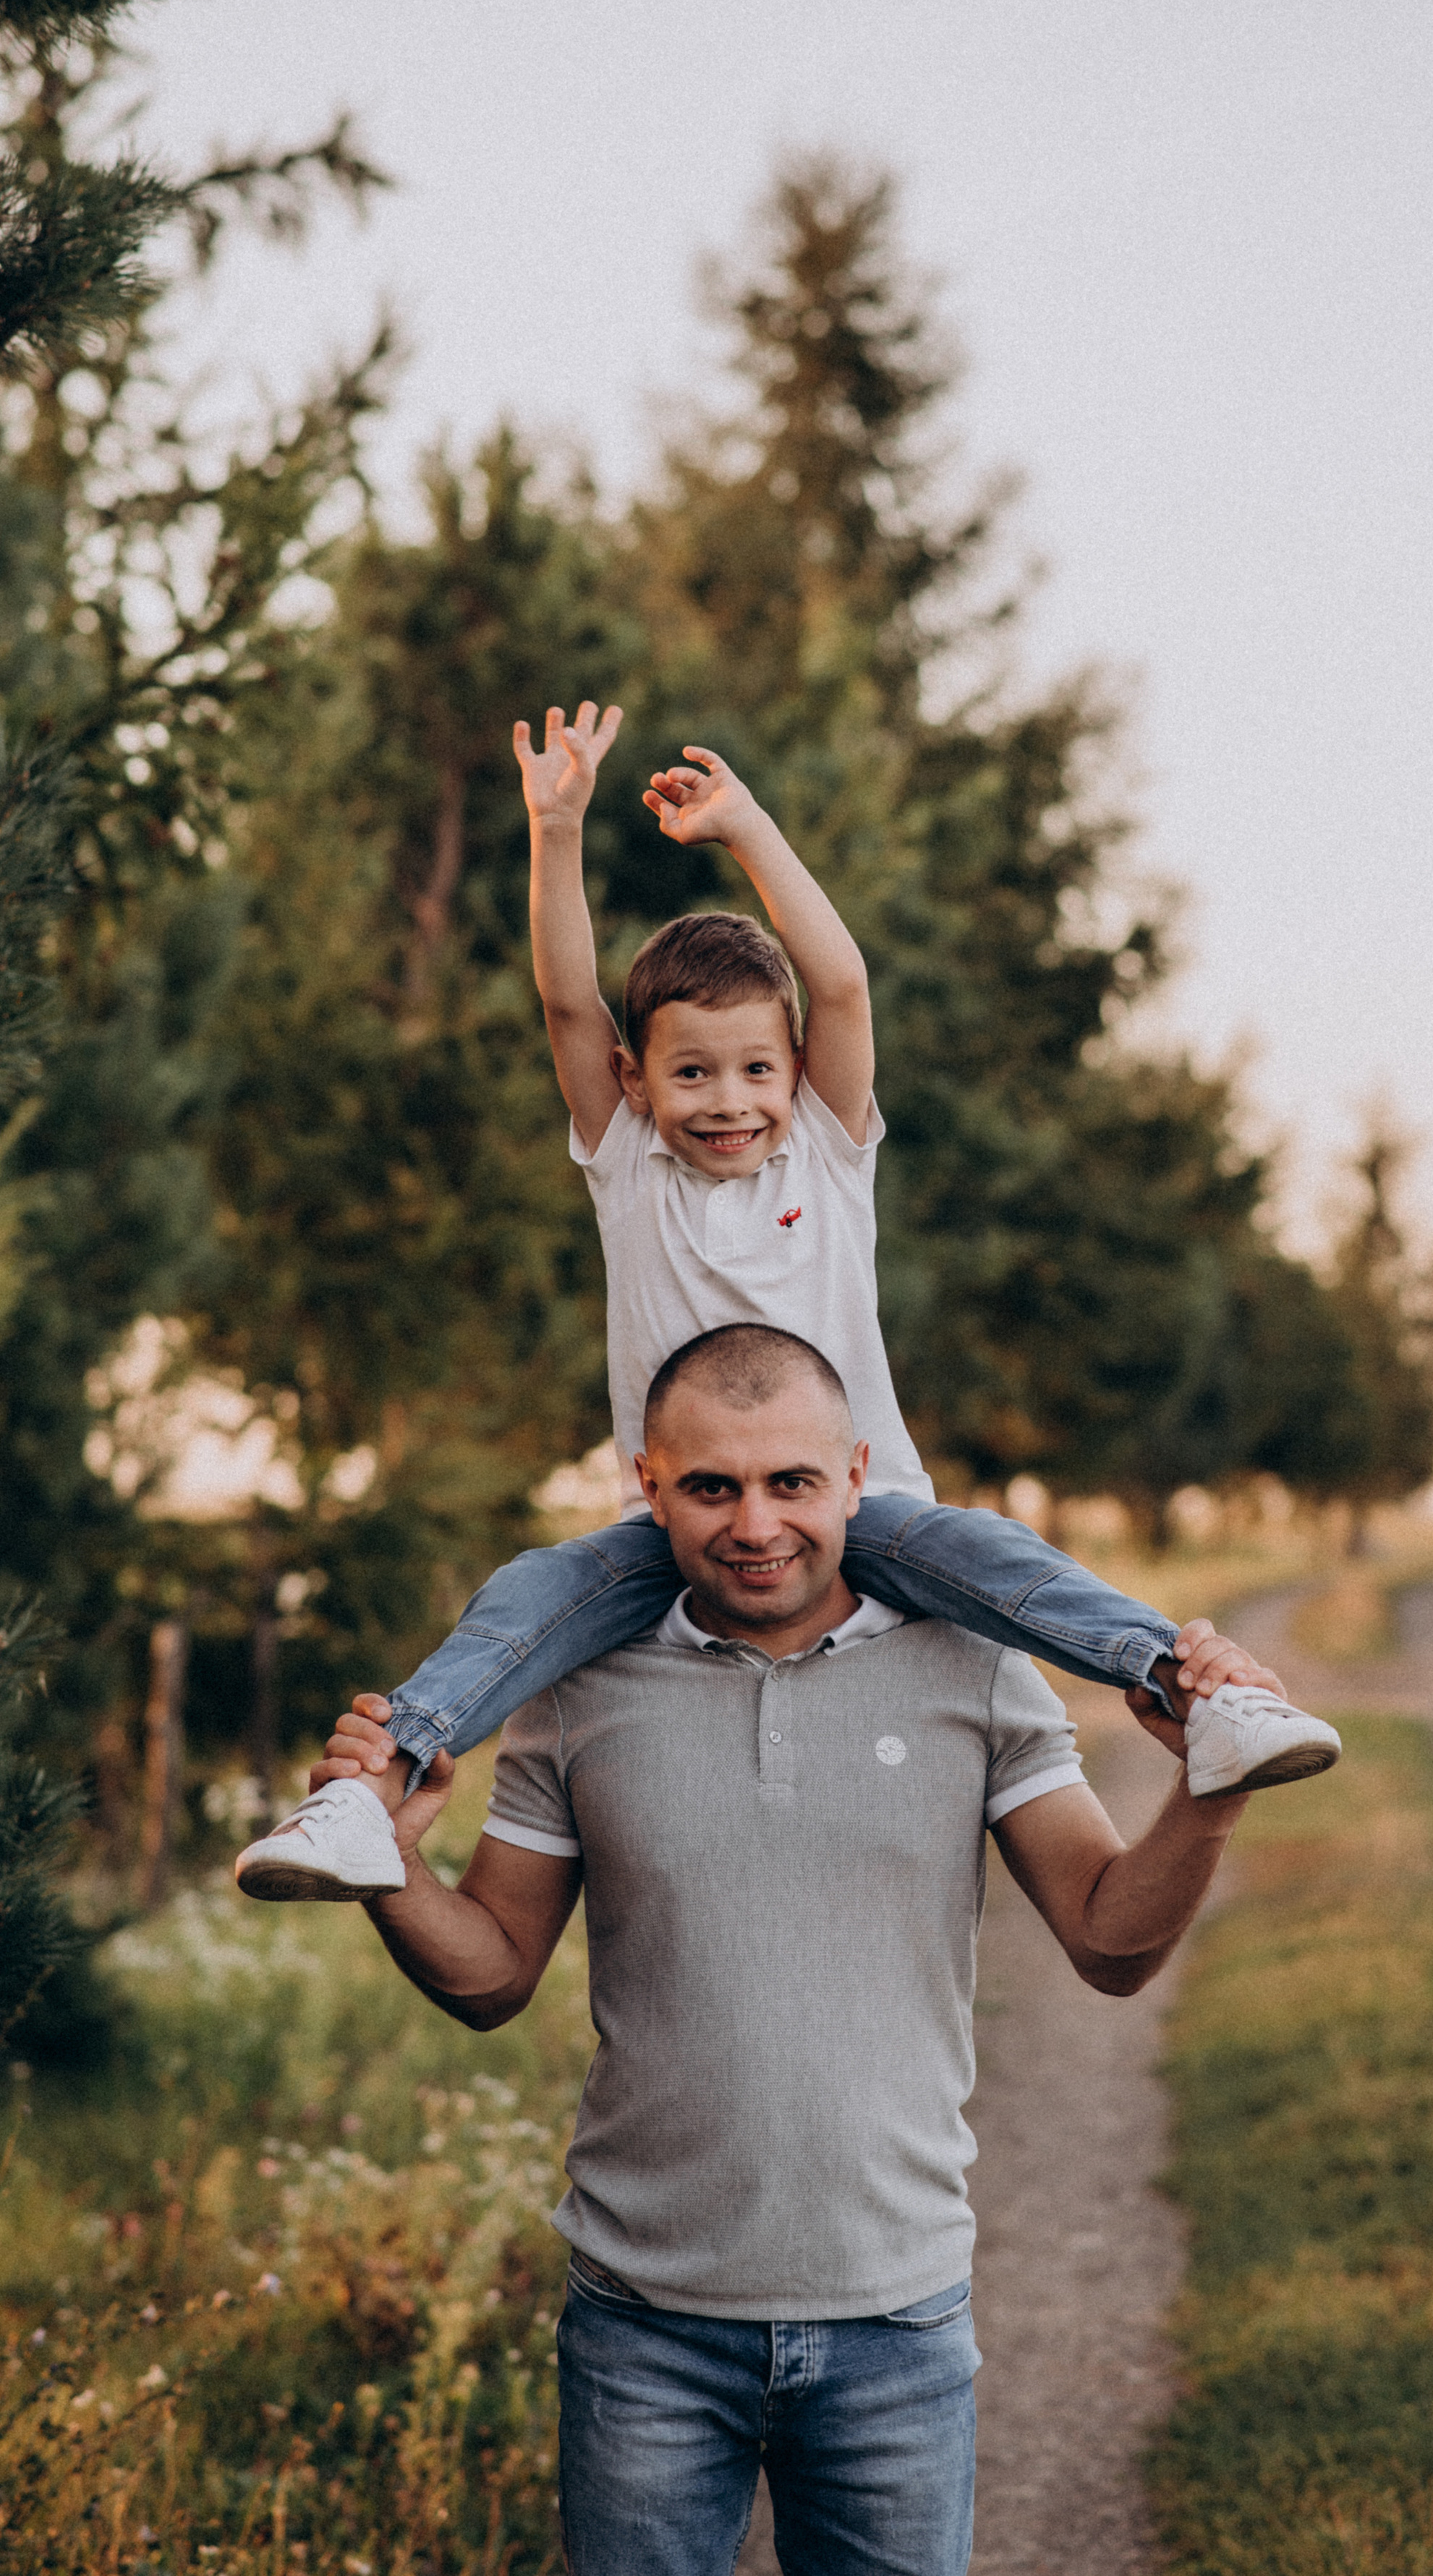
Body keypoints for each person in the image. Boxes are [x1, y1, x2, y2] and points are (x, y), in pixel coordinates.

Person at [237, 705, 1338, 1903]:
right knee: (527, 1595)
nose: (728, 1100)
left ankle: (1197, 1697)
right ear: (634, 1078)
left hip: (865, 1514)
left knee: (998, 1559)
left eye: (758, 1068)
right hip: (675, 1527)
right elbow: (564, 1004)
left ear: (797, 1073)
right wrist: (557, 829)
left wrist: (748, 828)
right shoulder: (630, 1169)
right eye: (692, 1071)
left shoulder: (823, 1151)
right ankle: (368, 1794)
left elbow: (843, 984)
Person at [319, 1325, 1284, 2576]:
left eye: (792, 1483)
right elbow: (494, 1973)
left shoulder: (975, 1666)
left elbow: (1109, 1941)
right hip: (643, 2332)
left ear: (856, 1479)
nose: (755, 1524)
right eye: (713, 1486)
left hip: (897, 2325)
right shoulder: (580, 1689)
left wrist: (1212, 1791)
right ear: (648, 1484)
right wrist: (389, 1863)